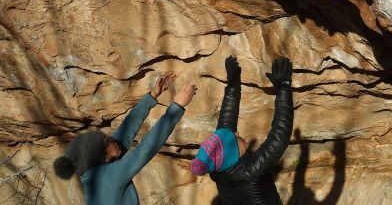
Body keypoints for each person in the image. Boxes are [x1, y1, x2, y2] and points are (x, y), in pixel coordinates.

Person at [53, 72, 197, 205]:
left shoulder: (93, 176)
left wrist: (152, 96)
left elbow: (126, 131)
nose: (110, 138)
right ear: (103, 157)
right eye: (106, 141)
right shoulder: (108, 178)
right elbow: (144, 150)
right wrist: (176, 107)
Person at [190, 56, 293, 205]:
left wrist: (233, 85)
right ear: (233, 153)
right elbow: (280, 135)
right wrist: (284, 87)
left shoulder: (218, 168)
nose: (237, 133)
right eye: (234, 137)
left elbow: (226, 125)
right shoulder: (250, 171)